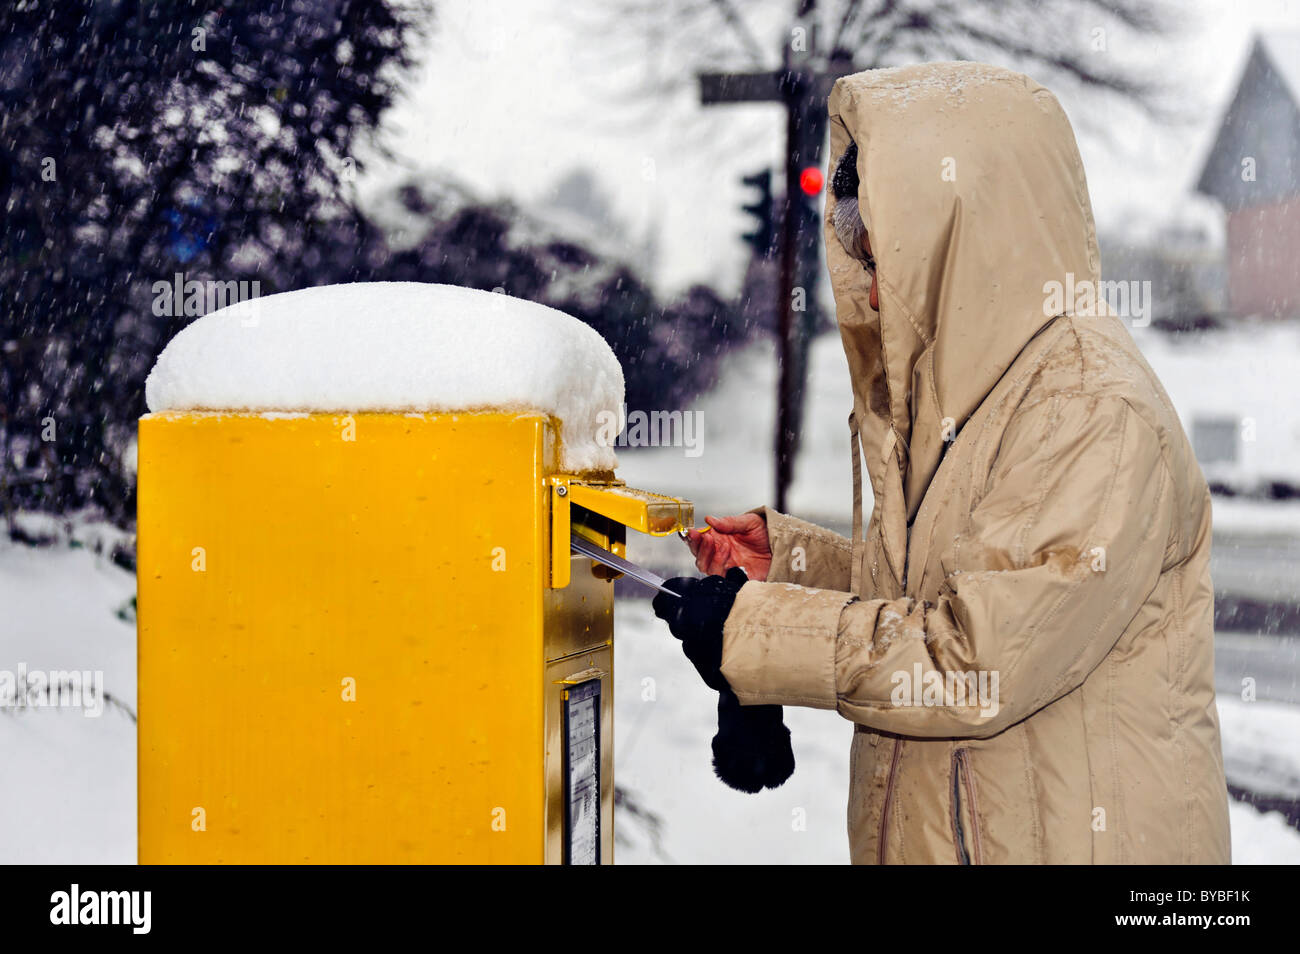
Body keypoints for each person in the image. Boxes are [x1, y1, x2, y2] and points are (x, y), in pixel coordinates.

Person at [653, 61, 1232, 864]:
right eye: (863, 259)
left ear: (965, 238)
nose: (877, 294)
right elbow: (946, 592)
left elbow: (973, 660)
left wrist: (759, 632)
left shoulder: (1089, 409)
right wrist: (789, 568)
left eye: (890, 258)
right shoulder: (982, 394)